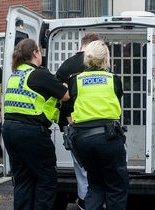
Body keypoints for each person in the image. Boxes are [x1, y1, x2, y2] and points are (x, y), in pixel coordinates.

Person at [2, 38, 70, 210]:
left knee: (23, 180)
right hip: (31, 133)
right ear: (35, 53)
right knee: (46, 180)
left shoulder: (15, 75)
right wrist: (63, 85)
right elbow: (66, 95)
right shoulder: (39, 74)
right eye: (39, 51)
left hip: (10, 130)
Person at [67, 40, 128, 210]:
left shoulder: (75, 80)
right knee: (116, 187)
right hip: (108, 137)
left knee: (94, 184)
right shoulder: (113, 79)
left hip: (82, 140)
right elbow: (117, 98)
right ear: (106, 59)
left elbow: (70, 102)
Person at [55, 33, 100, 210]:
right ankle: (95, 201)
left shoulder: (66, 65)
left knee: (81, 168)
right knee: (98, 168)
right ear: (94, 45)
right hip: (97, 123)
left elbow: (62, 97)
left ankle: (84, 201)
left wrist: (69, 121)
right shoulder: (98, 64)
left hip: (73, 125)